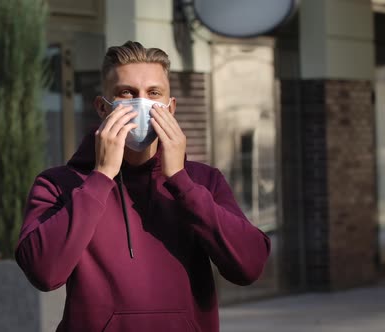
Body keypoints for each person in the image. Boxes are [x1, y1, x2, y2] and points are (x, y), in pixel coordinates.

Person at [15, 41, 271, 332]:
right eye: (127, 93)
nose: (141, 103)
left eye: (153, 93)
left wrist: (181, 183)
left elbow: (249, 267)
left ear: (170, 107)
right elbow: (44, 273)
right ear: (102, 107)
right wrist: (100, 178)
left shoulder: (204, 181)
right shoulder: (58, 184)